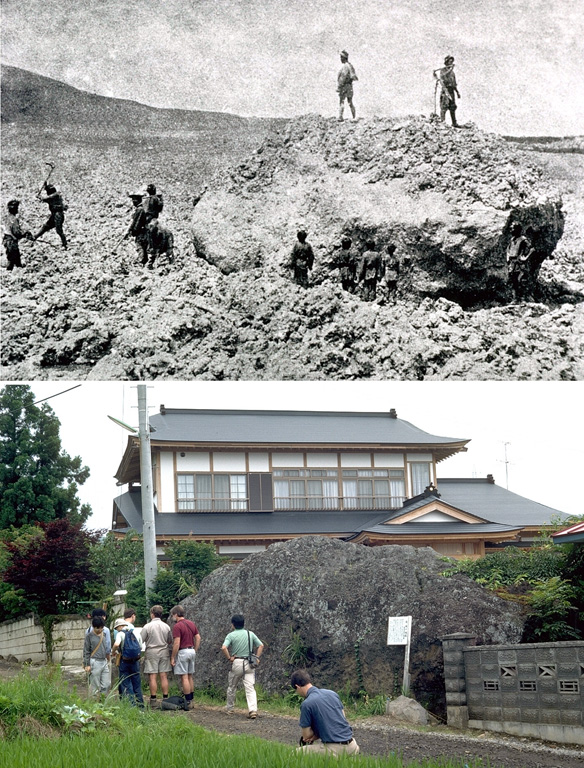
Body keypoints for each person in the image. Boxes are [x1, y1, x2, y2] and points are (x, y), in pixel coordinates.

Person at [291, 669, 359, 757]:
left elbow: (306, 736)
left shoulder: (306, 704)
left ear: (297, 686)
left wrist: (315, 734)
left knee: (296, 754)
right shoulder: (332, 694)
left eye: (295, 690)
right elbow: (342, 717)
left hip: (336, 749)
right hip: (353, 746)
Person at [221, 614, 264, 719]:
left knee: (232, 686)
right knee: (250, 687)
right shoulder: (250, 634)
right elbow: (261, 645)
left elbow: (224, 647)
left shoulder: (231, 635)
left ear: (233, 624)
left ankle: (230, 708)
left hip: (237, 662)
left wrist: (229, 658)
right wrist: (257, 657)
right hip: (249, 663)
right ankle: (252, 710)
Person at [140, 605, 173, 707]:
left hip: (152, 652)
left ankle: (153, 699)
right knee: (163, 676)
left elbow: (141, 639)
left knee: (152, 676)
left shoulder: (147, 626)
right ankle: (165, 698)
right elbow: (170, 640)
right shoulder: (166, 626)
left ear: (152, 614)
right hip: (164, 651)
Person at [169, 605, 201, 710]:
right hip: (191, 650)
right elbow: (198, 637)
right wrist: (195, 649)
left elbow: (177, 643)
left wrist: (173, 657)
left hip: (183, 651)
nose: (172, 617)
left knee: (184, 677)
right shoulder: (191, 623)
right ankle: (191, 699)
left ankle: (187, 701)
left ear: (176, 614)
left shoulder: (177, 626)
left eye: (173, 615)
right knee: (190, 676)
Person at [112, 617, 144, 707]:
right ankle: (140, 706)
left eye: (116, 628)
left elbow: (117, 644)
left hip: (124, 661)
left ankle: (132, 705)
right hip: (135, 661)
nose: (116, 630)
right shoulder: (135, 632)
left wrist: (113, 651)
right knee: (137, 684)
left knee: (126, 683)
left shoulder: (120, 634)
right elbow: (140, 646)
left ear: (120, 626)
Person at [83, 616, 111, 699]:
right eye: (97, 628)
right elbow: (86, 651)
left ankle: (103, 701)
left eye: (101, 628)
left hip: (104, 661)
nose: (100, 630)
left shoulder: (104, 634)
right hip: (94, 662)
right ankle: (94, 704)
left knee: (107, 684)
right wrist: (87, 664)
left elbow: (106, 648)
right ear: (93, 627)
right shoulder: (89, 636)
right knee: (94, 686)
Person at [506, 222, 534, 300]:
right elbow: (508, 249)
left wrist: (525, 258)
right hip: (512, 262)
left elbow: (531, 249)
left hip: (519, 263)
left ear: (517, 229)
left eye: (512, 228)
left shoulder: (523, 239)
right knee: (513, 280)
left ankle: (522, 299)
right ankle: (515, 299)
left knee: (520, 280)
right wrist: (508, 258)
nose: (511, 230)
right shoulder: (512, 239)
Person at [35, 182, 68, 248]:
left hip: (58, 215)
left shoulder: (55, 195)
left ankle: (65, 244)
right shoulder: (55, 195)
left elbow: (45, 199)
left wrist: (39, 197)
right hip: (54, 215)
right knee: (46, 226)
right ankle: (35, 237)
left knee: (59, 230)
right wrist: (45, 185)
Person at [3, 199, 33, 270]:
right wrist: (25, 234)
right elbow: (16, 233)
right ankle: (9, 272)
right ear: (14, 209)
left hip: (7, 240)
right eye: (17, 208)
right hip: (12, 241)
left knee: (15, 257)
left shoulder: (8, 217)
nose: (18, 209)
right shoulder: (14, 219)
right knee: (12, 258)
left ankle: (19, 269)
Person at [435, 56, 460, 127]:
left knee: (453, 106)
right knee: (444, 106)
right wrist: (450, 69)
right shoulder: (443, 70)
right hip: (445, 90)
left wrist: (457, 92)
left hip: (451, 90)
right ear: (446, 62)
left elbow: (454, 83)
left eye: (452, 61)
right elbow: (442, 77)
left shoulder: (452, 73)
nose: (451, 63)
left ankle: (454, 123)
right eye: (450, 61)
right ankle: (442, 122)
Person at [125, 192, 148, 265]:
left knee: (140, 246)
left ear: (137, 200)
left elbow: (137, 222)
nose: (133, 202)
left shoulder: (140, 209)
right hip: (143, 231)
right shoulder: (140, 209)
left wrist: (133, 231)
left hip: (141, 232)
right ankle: (144, 262)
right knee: (143, 247)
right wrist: (129, 230)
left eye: (134, 200)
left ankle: (141, 261)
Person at [337, 50, 358, 121]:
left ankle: (340, 116)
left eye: (341, 57)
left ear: (344, 58)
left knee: (341, 101)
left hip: (345, 86)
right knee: (350, 102)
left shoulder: (345, 67)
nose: (340, 59)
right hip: (350, 86)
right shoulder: (350, 66)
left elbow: (343, 77)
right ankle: (354, 117)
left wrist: (339, 87)